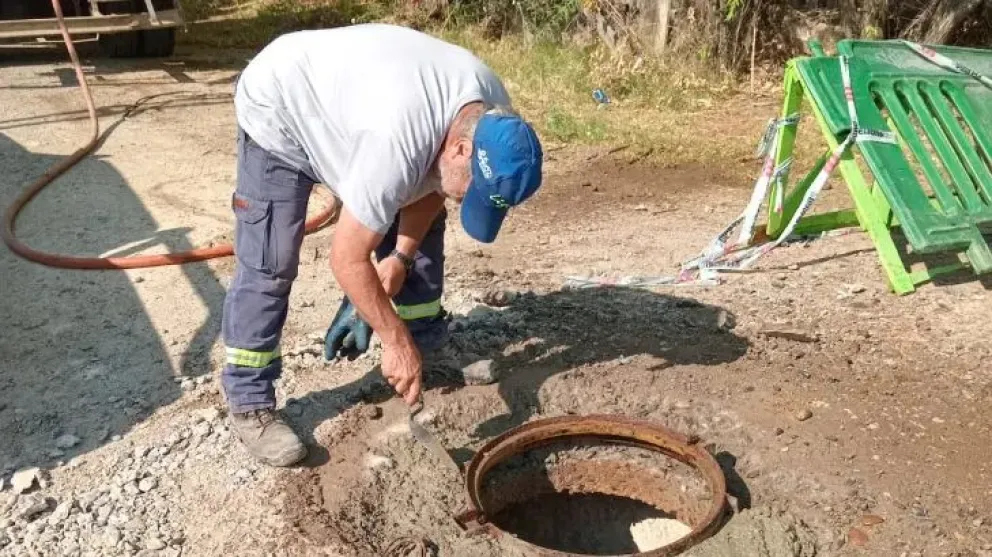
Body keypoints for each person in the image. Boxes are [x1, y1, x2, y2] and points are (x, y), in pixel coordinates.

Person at [221, 23, 544, 467]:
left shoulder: (494, 120)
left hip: (358, 109)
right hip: (282, 107)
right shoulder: (395, 141)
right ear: (461, 149)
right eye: (471, 190)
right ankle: (249, 397)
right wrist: (393, 341)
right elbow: (346, 256)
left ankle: (426, 346)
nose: (464, 198)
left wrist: (399, 257)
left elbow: (435, 188)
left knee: (424, 226)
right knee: (270, 261)